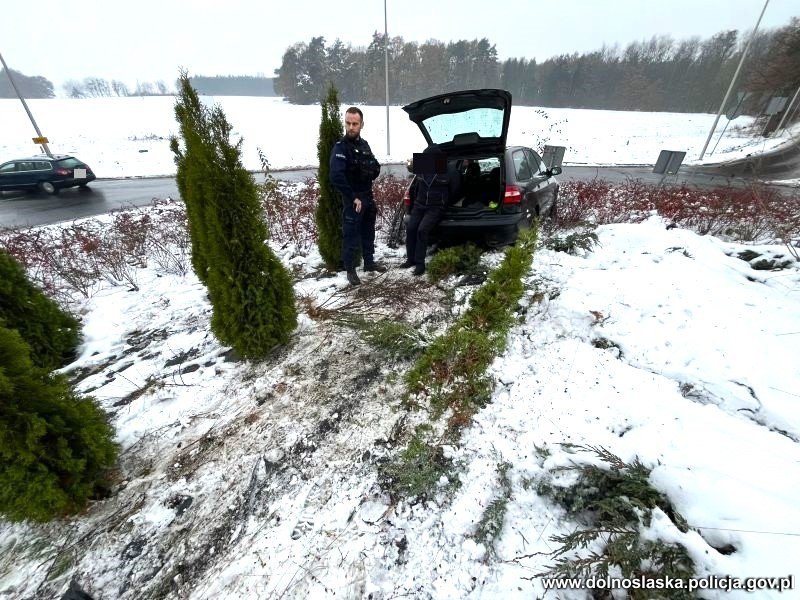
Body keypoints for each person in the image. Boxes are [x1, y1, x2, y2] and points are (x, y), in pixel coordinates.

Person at [329, 106, 386, 286]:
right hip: (354, 199)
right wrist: (353, 197)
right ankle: (351, 270)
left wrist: (370, 171)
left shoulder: (364, 145)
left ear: (362, 124)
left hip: (367, 195)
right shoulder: (341, 148)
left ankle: (369, 263)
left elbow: (375, 166)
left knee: (369, 232)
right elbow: (336, 176)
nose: (351, 127)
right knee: (351, 235)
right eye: (348, 123)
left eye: (355, 123)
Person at [399, 145, 458, 276]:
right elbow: (415, 184)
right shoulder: (422, 167)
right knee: (411, 228)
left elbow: (455, 190)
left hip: (436, 207)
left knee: (422, 230)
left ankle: (420, 264)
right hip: (420, 205)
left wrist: (445, 202)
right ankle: (410, 260)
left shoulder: (449, 170)